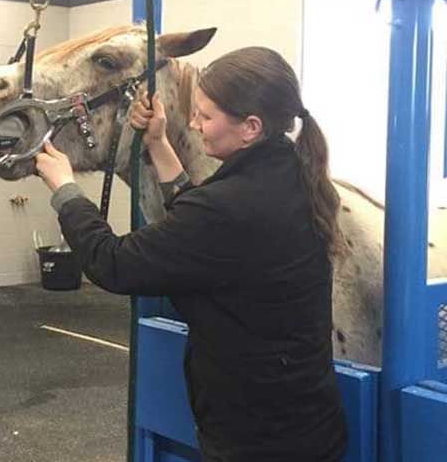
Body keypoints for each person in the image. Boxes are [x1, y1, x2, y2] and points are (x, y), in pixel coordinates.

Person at [35, 46, 348, 462]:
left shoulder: (228, 206)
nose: (196, 124)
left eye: (206, 116)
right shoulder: (290, 173)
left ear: (251, 127)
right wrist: (159, 144)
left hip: (255, 441)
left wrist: (66, 189)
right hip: (306, 423)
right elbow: (203, 223)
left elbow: (113, 263)